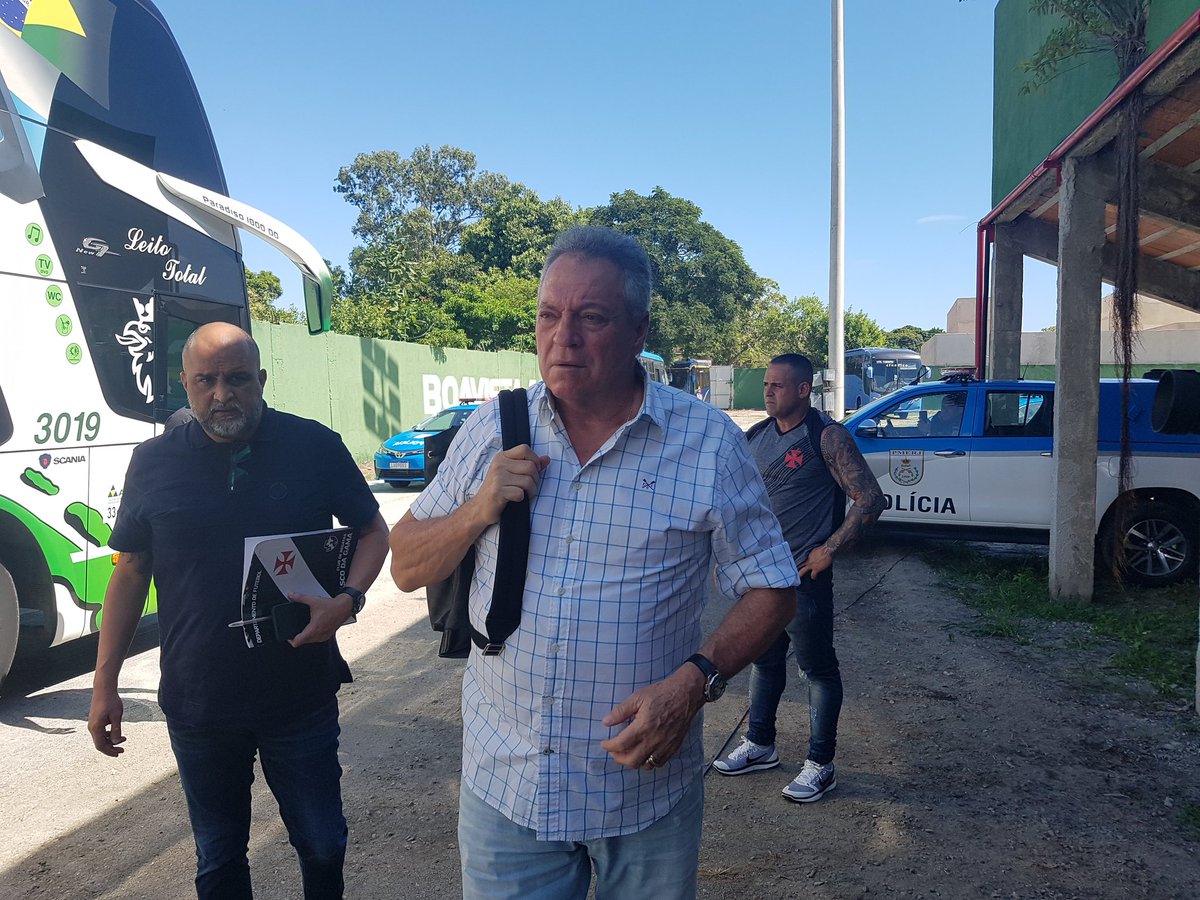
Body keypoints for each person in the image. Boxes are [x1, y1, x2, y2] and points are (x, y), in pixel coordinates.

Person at [389, 226, 798, 900]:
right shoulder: (493, 427)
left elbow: (773, 589)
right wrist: (478, 509)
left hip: (643, 791)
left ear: (639, 331)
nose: (564, 338)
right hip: (508, 786)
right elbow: (406, 566)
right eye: (549, 315)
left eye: (592, 318)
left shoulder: (706, 443)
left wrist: (695, 682)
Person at [87, 322, 389, 899]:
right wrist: (105, 684)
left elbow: (374, 531)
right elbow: (129, 572)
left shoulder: (314, 446)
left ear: (261, 380)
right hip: (199, 701)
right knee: (219, 858)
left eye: (237, 379)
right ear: (184, 383)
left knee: (323, 843)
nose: (222, 394)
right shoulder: (152, 462)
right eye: (206, 381)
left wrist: (347, 600)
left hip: (299, 692)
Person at [713, 353, 884, 803]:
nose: (768, 391)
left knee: (818, 671)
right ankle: (760, 744)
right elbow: (740, 502)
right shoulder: (756, 436)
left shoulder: (826, 437)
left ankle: (820, 765)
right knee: (764, 662)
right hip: (760, 579)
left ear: (804, 390)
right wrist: (728, 553)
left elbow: (870, 499)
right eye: (766, 384)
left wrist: (830, 549)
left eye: (778, 385)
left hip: (803, 580)